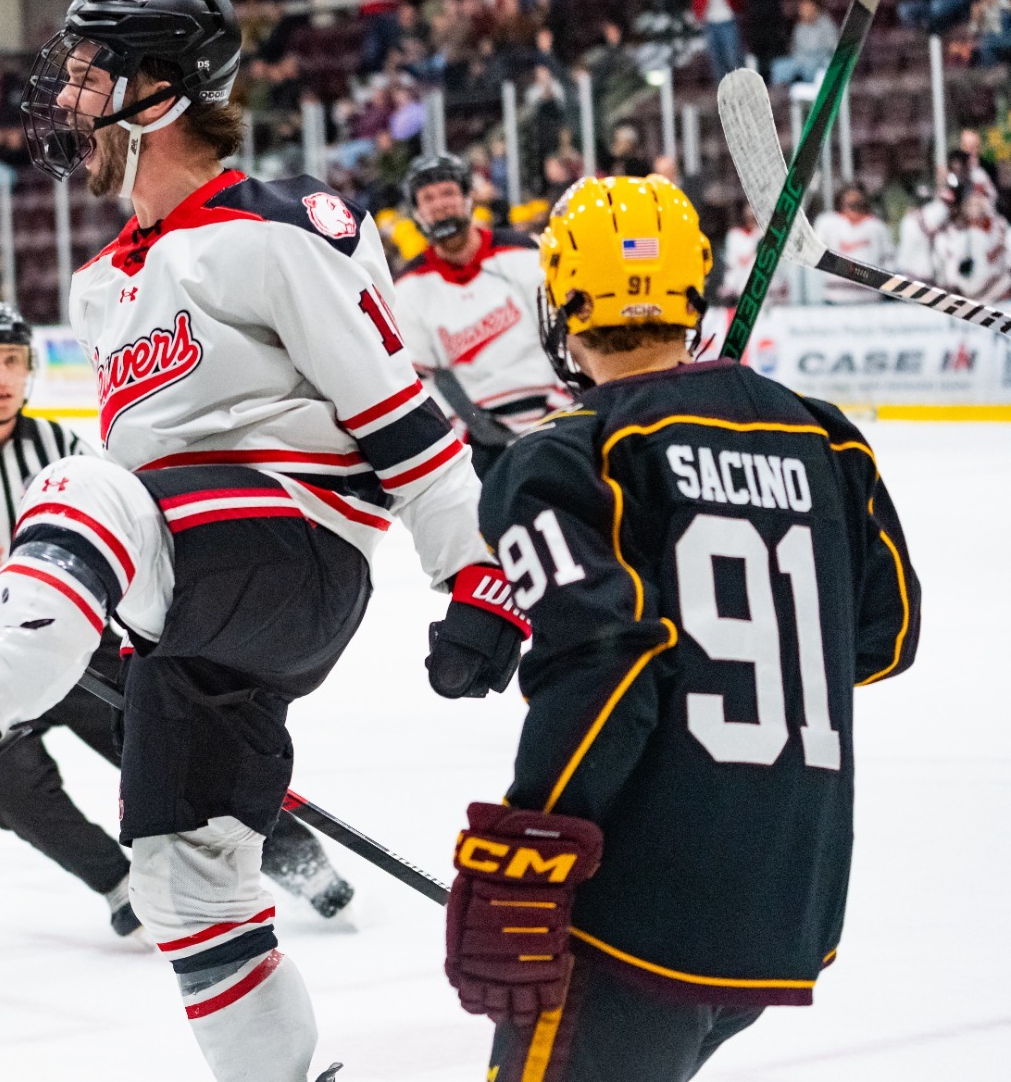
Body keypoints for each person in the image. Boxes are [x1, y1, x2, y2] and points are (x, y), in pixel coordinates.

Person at [0, 0, 529, 1081]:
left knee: (84, 483)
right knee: (183, 877)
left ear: (158, 91)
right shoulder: (105, 286)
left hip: (290, 551)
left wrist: (477, 580)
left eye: (88, 78)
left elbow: (407, 425)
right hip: (194, 616)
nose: (66, 103)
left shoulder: (279, 228)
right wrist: (63, 598)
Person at [444, 175, 921, 1082]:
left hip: (634, 904)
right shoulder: (826, 436)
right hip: (787, 894)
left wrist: (533, 848)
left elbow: (606, 658)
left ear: (559, 306)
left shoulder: (565, 452)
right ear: (694, 295)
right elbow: (883, 633)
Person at [0, 302, 356, 940]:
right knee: (10, 785)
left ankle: (301, 863)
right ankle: (117, 884)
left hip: (84, 648)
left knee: (181, 746)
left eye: (13, 361)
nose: (0, 377)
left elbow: (128, 520)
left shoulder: (61, 447)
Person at [390, 153, 573, 476]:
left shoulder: (522, 253)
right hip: (481, 437)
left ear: (468, 198)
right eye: (428, 198)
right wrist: (470, 435)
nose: (439, 205)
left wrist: (563, 405)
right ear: (417, 212)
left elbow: (566, 333)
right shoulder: (407, 288)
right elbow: (422, 381)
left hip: (559, 412)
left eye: (447, 193)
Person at [810, 183, 894, 303]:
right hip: (835, 295)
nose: (853, 207)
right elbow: (816, 253)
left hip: (870, 298)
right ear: (840, 201)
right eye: (849, 203)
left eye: (857, 203)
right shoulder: (828, 222)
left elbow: (888, 259)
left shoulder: (877, 226)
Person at [931, 186, 1011, 302]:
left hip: (990, 285)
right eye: (971, 205)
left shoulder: (997, 225)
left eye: (978, 204)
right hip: (963, 284)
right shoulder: (957, 227)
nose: (974, 208)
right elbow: (947, 252)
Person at [771, 0, 840, 85]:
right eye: (802, 10)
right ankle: (779, 93)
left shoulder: (826, 24)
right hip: (801, 61)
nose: (804, 12)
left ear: (815, 9)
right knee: (779, 66)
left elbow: (833, 47)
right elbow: (795, 48)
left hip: (820, 61)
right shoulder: (799, 26)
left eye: (807, 9)